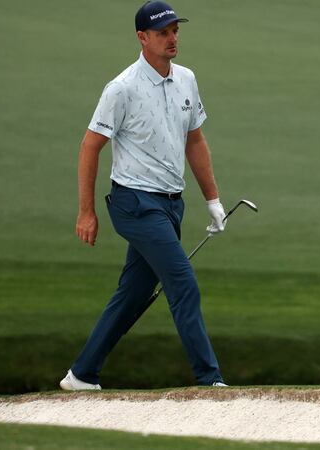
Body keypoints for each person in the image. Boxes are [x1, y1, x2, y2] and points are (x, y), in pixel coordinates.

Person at [60, 1, 227, 390]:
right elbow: (90, 145)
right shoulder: (122, 88)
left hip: (171, 205)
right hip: (134, 204)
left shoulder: (187, 79)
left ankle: (82, 374)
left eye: (175, 31)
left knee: (133, 293)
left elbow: (196, 140)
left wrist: (213, 200)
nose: (172, 38)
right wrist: (86, 211)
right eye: (163, 32)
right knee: (182, 281)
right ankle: (210, 380)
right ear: (142, 37)